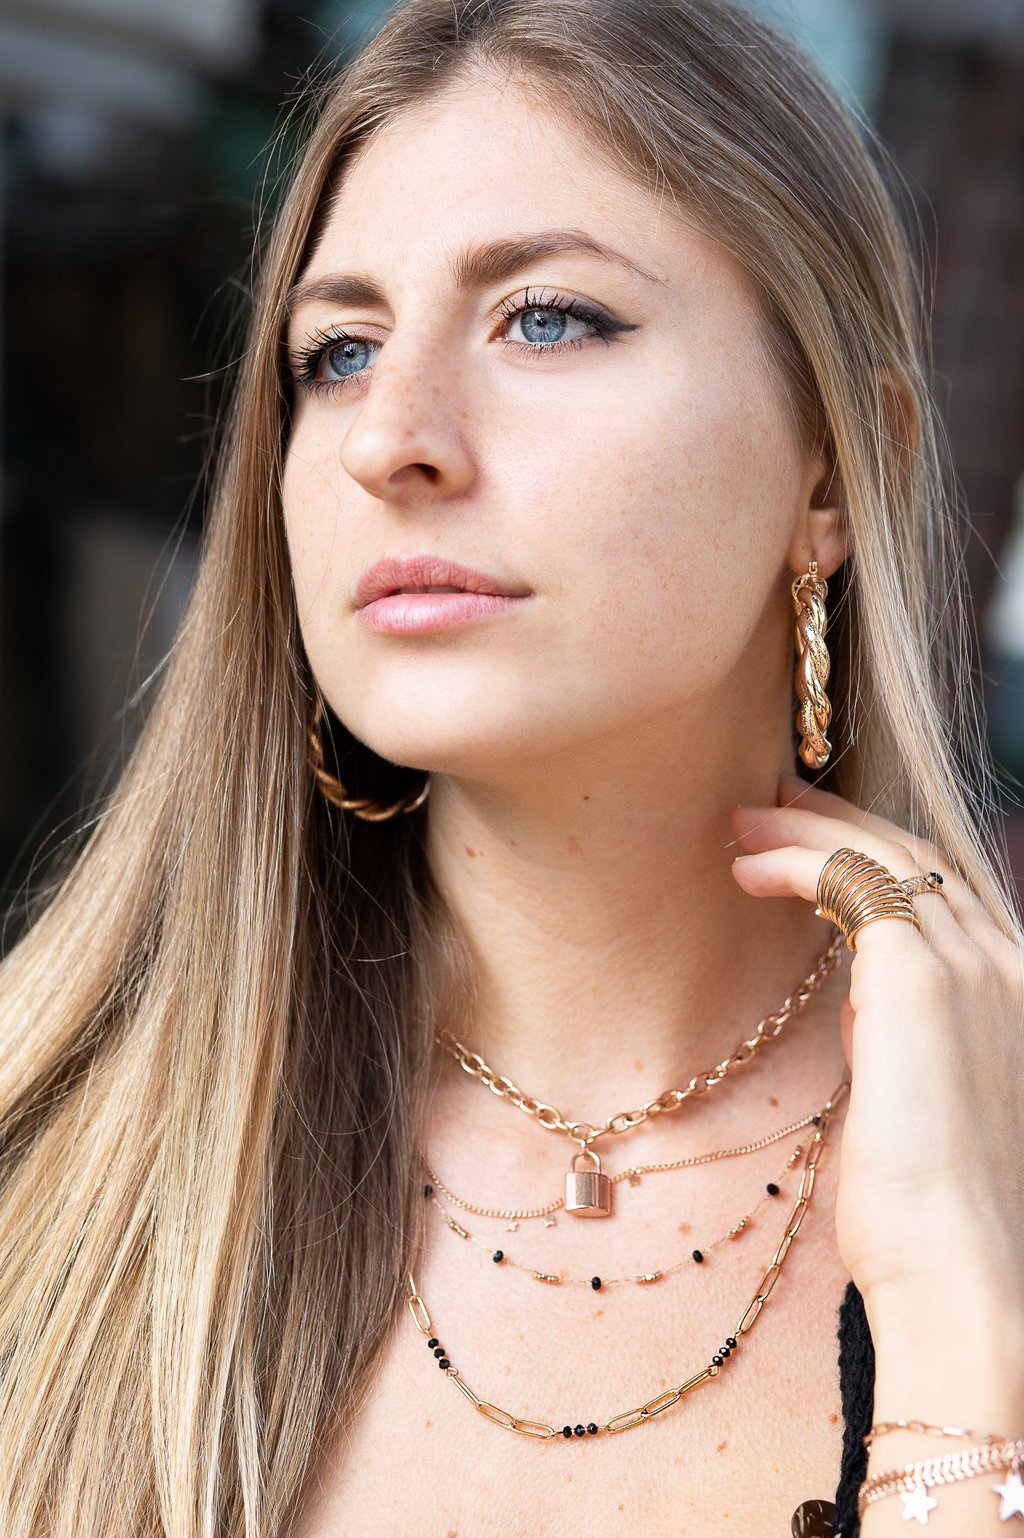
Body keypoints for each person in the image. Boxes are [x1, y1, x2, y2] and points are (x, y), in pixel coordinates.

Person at [0, 1, 1021, 1534]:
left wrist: (962, 1333)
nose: (389, 439)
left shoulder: (997, 1175)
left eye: (546, 318)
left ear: (831, 463)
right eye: (338, 353)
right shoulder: (45, 1166)